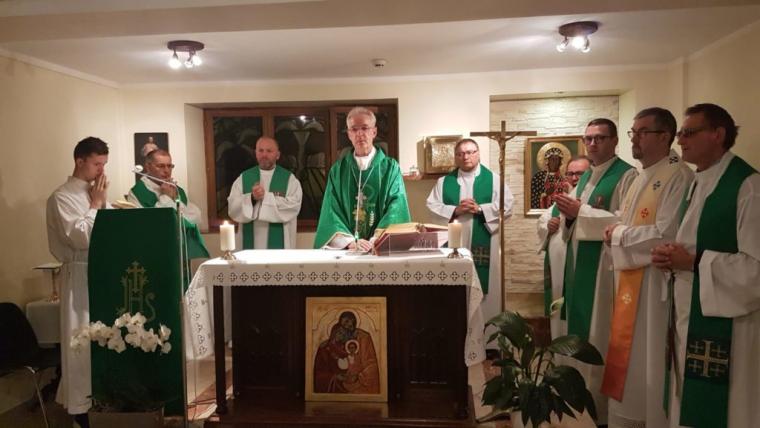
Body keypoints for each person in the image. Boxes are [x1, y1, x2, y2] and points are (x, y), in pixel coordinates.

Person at [652, 103, 760, 428]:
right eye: (681, 133)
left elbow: (755, 269)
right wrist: (672, 256)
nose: (680, 140)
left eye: (689, 132)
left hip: (730, 324)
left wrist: (693, 262)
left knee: (726, 410)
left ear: (718, 134)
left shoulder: (747, 187)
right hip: (688, 310)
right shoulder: (699, 181)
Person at [599, 108, 694, 428]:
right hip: (630, 278)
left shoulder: (678, 175)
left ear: (665, 136)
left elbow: (667, 234)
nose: (634, 139)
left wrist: (619, 234)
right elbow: (626, 220)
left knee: (648, 359)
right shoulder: (642, 175)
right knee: (632, 360)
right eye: (633, 132)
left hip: (655, 285)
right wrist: (615, 229)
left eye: (642, 132)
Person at [552, 118, 638, 425]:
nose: (592, 143)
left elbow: (626, 223)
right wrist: (569, 216)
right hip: (580, 263)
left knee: (599, 330)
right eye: (588, 138)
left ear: (615, 140)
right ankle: (577, 396)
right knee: (582, 327)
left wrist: (581, 212)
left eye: (600, 138)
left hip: (605, 267)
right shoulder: (587, 175)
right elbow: (574, 218)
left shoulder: (627, 175)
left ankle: (598, 406)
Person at [46, 136, 110, 427]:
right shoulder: (61, 197)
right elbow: (81, 237)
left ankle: (104, 403)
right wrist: (96, 205)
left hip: (101, 273)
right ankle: (80, 411)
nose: (101, 170)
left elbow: (106, 234)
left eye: (104, 164)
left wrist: (102, 205)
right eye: (97, 164)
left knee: (103, 341)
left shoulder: (94, 192)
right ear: (79, 160)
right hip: (79, 277)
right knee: (80, 345)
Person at [426, 138, 514, 325]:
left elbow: (507, 206)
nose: (465, 157)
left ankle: (488, 334)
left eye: (469, 152)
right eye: (460, 154)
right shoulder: (444, 182)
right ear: (455, 157)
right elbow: (431, 207)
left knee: (486, 290)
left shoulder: (494, 180)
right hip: (454, 244)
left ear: (478, 153)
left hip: (486, 242)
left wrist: (480, 209)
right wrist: (455, 210)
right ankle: (456, 331)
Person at [314, 107, 410, 251]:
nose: (359, 134)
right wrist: (349, 242)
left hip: (380, 248)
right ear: (349, 134)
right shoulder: (338, 171)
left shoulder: (390, 169)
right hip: (349, 251)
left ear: (374, 132)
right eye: (354, 129)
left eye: (365, 128)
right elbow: (331, 211)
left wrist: (376, 240)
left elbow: (396, 208)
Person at [536, 155, 590, 339]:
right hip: (558, 270)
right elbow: (542, 221)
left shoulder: (590, 203)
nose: (574, 178)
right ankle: (558, 344)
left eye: (580, 174)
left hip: (582, 266)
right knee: (558, 307)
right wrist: (548, 227)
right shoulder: (558, 203)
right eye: (570, 174)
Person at [127, 149, 209, 260]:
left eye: (169, 166)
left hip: (179, 251)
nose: (166, 170)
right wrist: (166, 198)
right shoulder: (137, 193)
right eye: (160, 166)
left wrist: (174, 199)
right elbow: (148, 225)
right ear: (148, 167)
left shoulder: (177, 190)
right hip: (152, 251)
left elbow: (195, 218)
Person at [228, 136, 303, 249]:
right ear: (256, 153)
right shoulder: (243, 178)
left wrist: (265, 197)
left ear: (278, 155)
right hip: (250, 244)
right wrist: (252, 198)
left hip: (280, 246)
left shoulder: (289, 180)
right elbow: (233, 207)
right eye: (261, 150)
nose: (264, 155)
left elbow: (293, 206)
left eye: (269, 151)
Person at [313, 311, 380, 394]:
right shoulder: (324, 349)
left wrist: (358, 376)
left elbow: (369, 365)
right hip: (336, 386)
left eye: (350, 327)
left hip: (353, 383)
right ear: (335, 330)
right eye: (344, 327)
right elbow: (318, 375)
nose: (343, 334)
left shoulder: (351, 345)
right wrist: (335, 377)